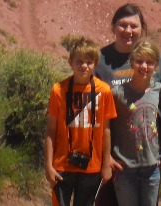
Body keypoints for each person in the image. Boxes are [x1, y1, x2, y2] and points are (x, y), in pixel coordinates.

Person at [45, 35, 118, 206]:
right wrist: (48, 165)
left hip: (91, 165)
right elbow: (50, 131)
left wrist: (106, 163)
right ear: (70, 62)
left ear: (96, 64)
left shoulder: (104, 91)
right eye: (79, 61)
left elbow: (106, 131)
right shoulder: (58, 90)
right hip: (62, 164)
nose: (84, 66)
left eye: (89, 62)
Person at [109, 40, 161, 206]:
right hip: (125, 168)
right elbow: (104, 127)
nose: (144, 66)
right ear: (131, 62)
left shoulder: (160, 91)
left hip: (152, 168)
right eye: (139, 61)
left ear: (156, 65)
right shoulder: (117, 94)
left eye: (149, 62)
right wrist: (107, 157)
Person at [97, 3, 161, 89]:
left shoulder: (153, 57)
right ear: (113, 27)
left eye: (134, 26)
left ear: (141, 29)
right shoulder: (98, 60)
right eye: (123, 25)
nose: (128, 31)